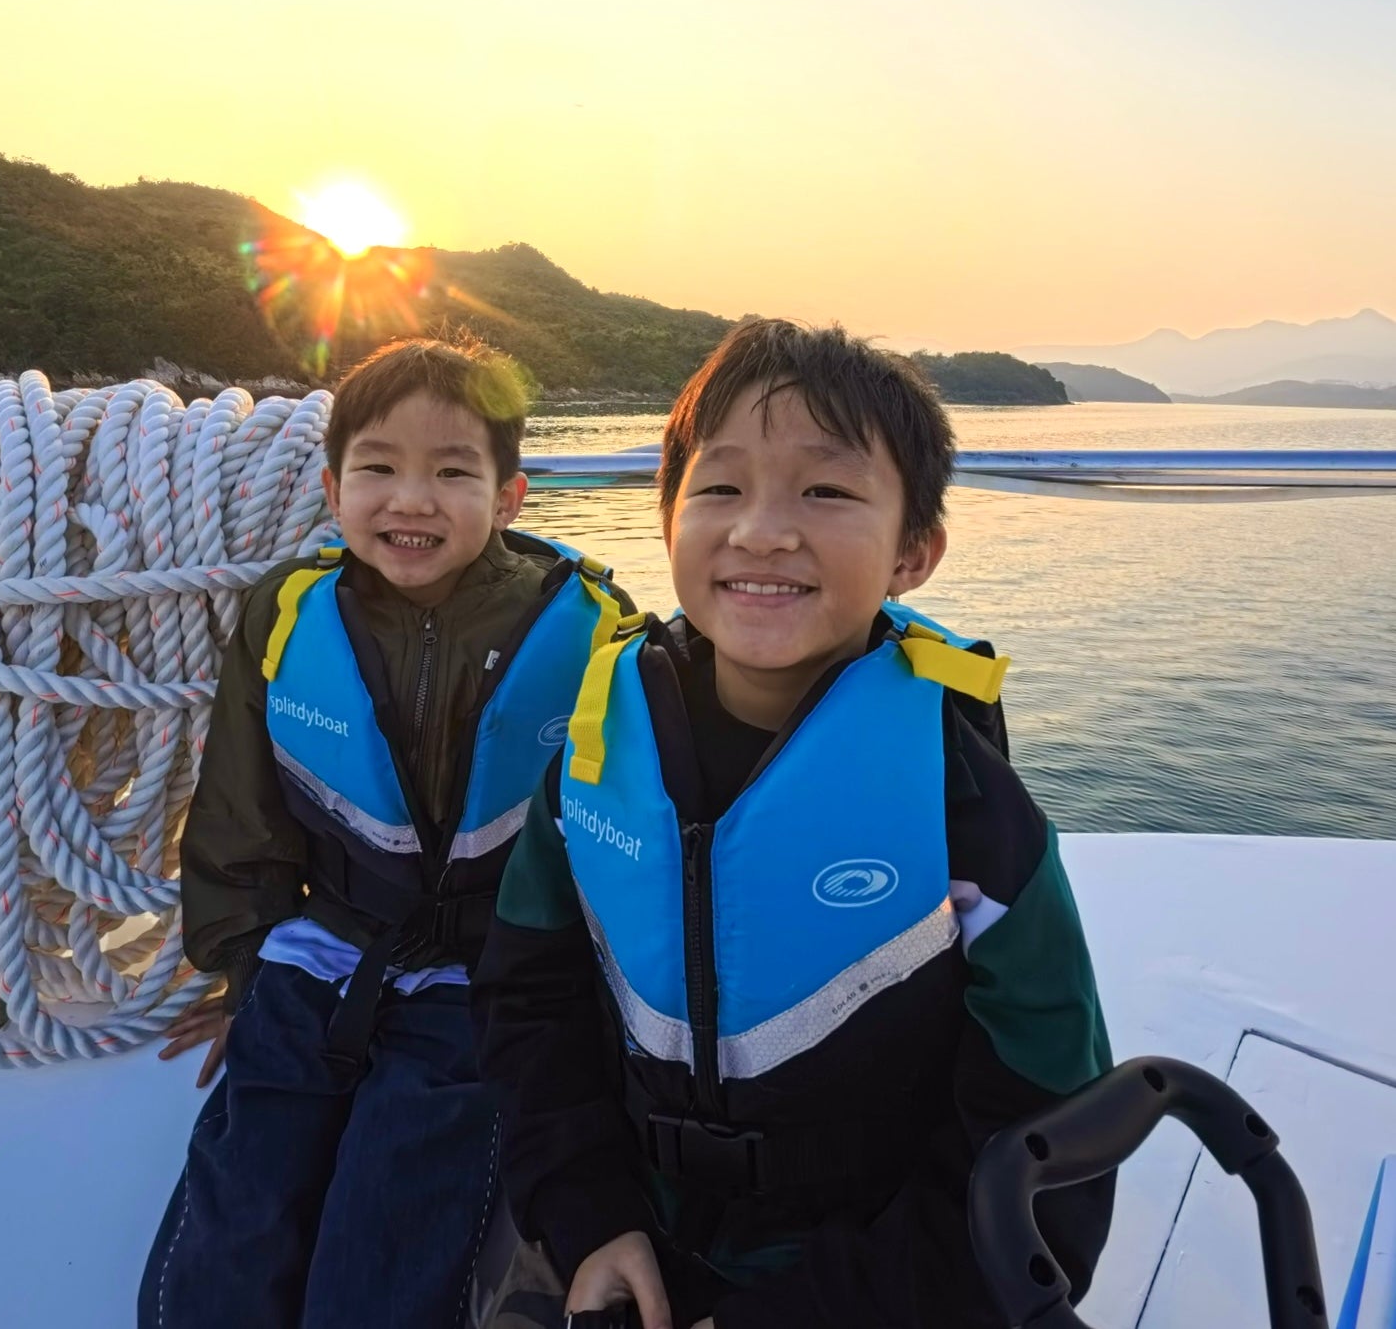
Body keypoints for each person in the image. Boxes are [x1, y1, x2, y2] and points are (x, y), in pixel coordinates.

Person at [472, 319, 1115, 1329]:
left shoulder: (968, 812)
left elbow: (1047, 1139)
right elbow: (528, 999)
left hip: (868, 1282)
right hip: (620, 1231)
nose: (762, 531)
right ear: (668, 519)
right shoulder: (596, 759)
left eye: (825, 491)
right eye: (720, 488)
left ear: (914, 551)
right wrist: (588, 1213)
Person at [141, 336, 630, 1329]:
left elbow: (622, 832)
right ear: (334, 490)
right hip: (324, 946)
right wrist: (241, 971)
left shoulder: (592, 628)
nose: (412, 499)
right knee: (241, 1213)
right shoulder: (287, 612)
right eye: (378, 469)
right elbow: (239, 808)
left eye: (452, 472)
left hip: (489, 974)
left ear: (510, 496)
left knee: (395, 1216)